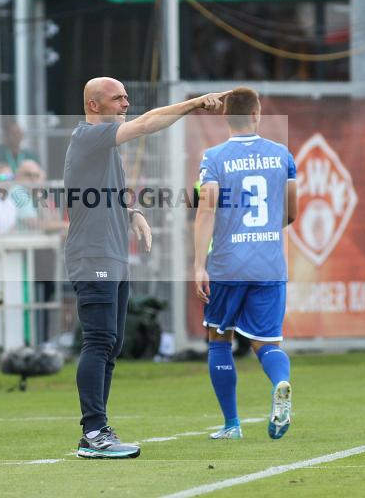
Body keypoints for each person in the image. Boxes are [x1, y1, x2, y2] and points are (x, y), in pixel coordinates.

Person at [65, 76, 225, 459]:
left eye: (126, 97)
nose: (125, 103)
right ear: (94, 105)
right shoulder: (89, 136)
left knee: (112, 344)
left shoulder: (105, 147)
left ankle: (97, 431)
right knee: (99, 341)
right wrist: (194, 103)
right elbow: (148, 123)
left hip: (113, 256)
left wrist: (133, 212)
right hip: (93, 256)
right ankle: (93, 432)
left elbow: (108, 191)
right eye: (117, 98)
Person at [193, 86, 297, 441]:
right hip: (270, 263)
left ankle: (231, 424)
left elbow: (206, 210)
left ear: (225, 116)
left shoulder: (214, 158)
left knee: (219, 338)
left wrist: (198, 264)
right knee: (267, 343)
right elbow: (291, 211)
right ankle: (280, 381)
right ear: (257, 113)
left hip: (227, 264)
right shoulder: (282, 155)